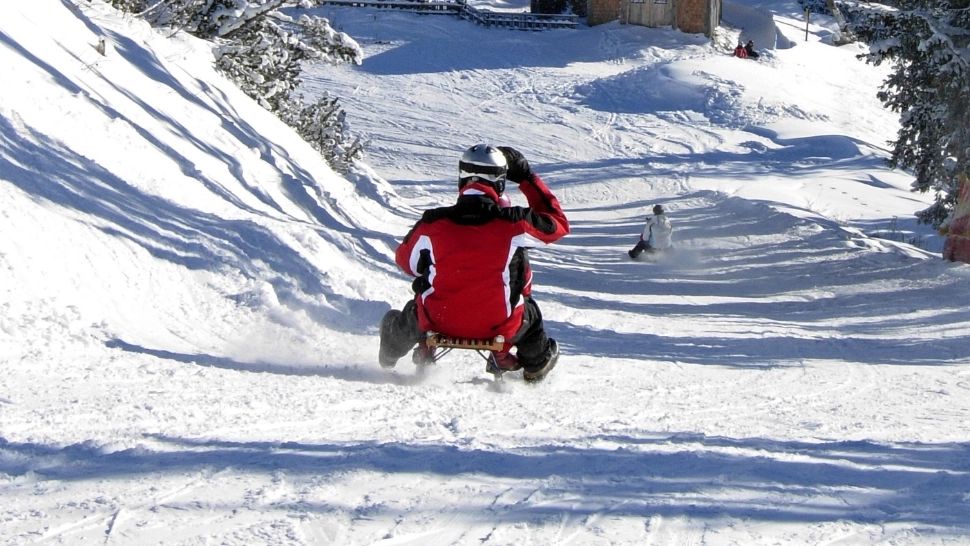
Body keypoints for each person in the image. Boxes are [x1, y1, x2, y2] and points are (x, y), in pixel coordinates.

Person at [378, 144, 570, 382]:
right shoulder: (515, 223)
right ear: (500, 182)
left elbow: (407, 263)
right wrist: (527, 178)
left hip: (439, 318)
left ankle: (391, 348)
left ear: (462, 179)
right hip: (499, 324)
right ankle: (535, 364)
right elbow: (558, 224)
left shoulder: (433, 223)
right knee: (529, 312)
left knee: (418, 306)